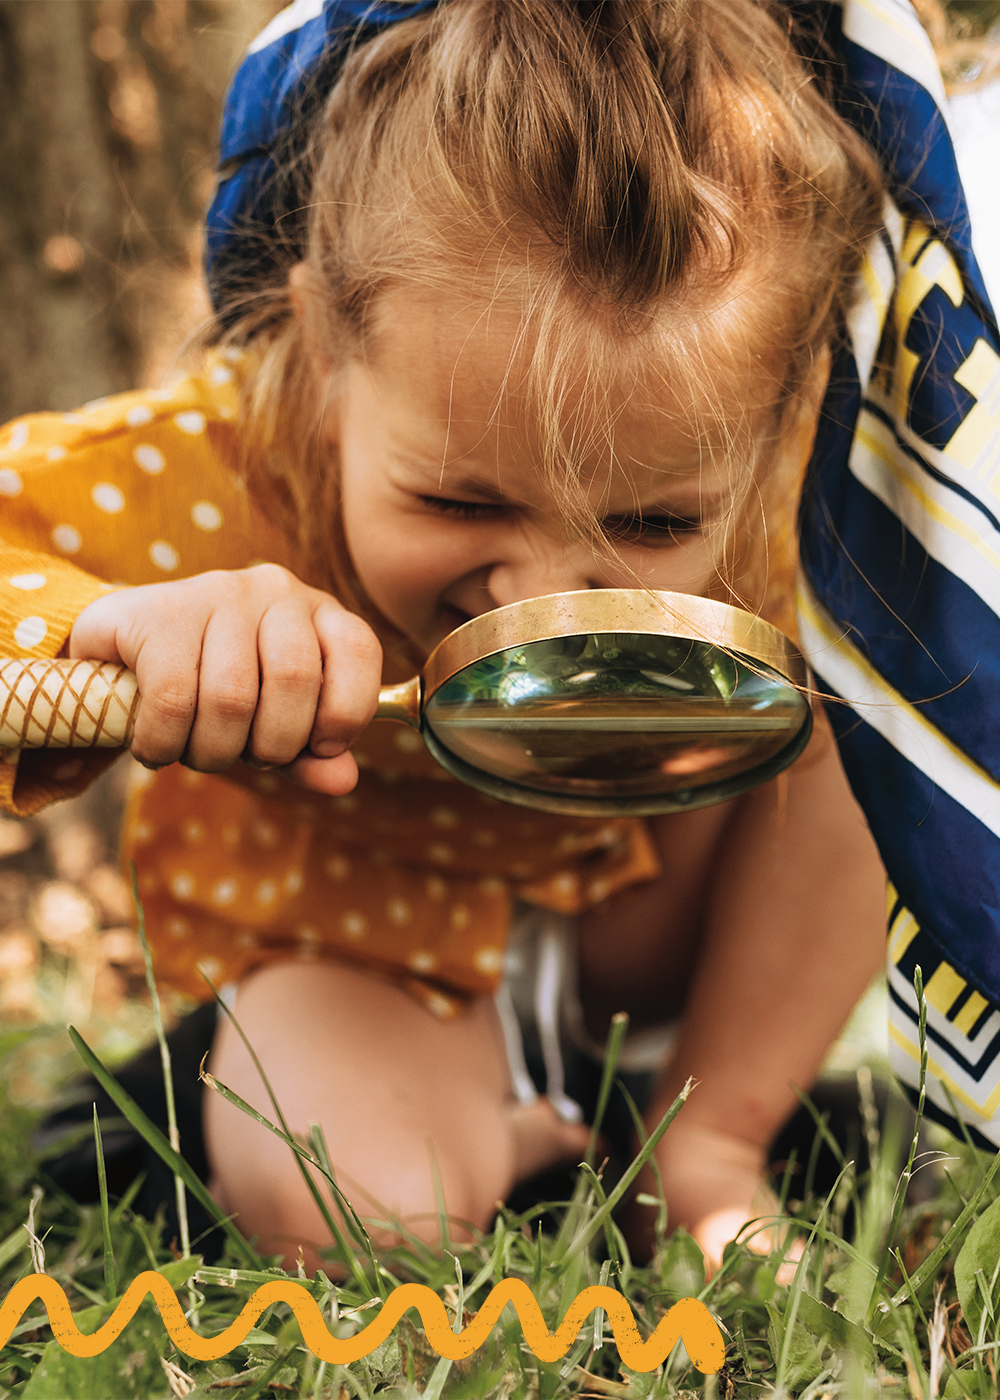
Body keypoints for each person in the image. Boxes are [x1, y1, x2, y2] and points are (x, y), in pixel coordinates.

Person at [5, 0, 969, 1275]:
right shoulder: (216, 470)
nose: (537, 592)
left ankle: (710, 1140)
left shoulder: (814, 487)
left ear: (783, 400)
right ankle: (531, 1131)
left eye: (649, 518)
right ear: (322, 344)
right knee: (371, 1218)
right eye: (460, 500)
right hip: (360, 938)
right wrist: (117, 623)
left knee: (881, 689)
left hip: (655, 906)